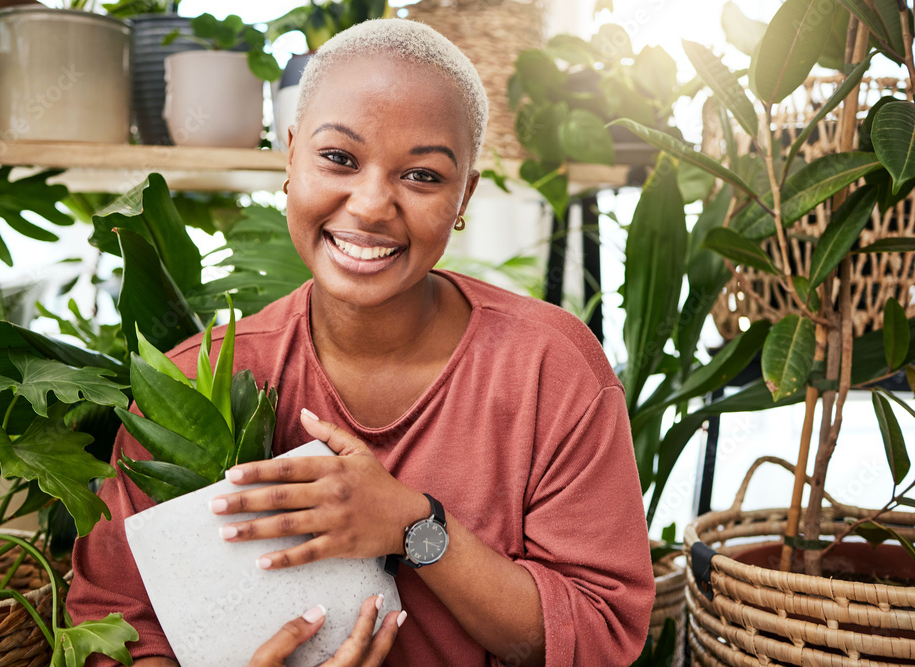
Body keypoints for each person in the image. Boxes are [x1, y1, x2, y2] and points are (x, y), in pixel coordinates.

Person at [67, 18, 654, 667]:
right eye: (339, 158)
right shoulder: (187, 386)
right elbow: (114, 623)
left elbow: (600, 631)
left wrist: (414, 525)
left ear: (465, 195)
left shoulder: (550, 367)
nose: (372, 204)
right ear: (290, 157)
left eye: (423, 175)